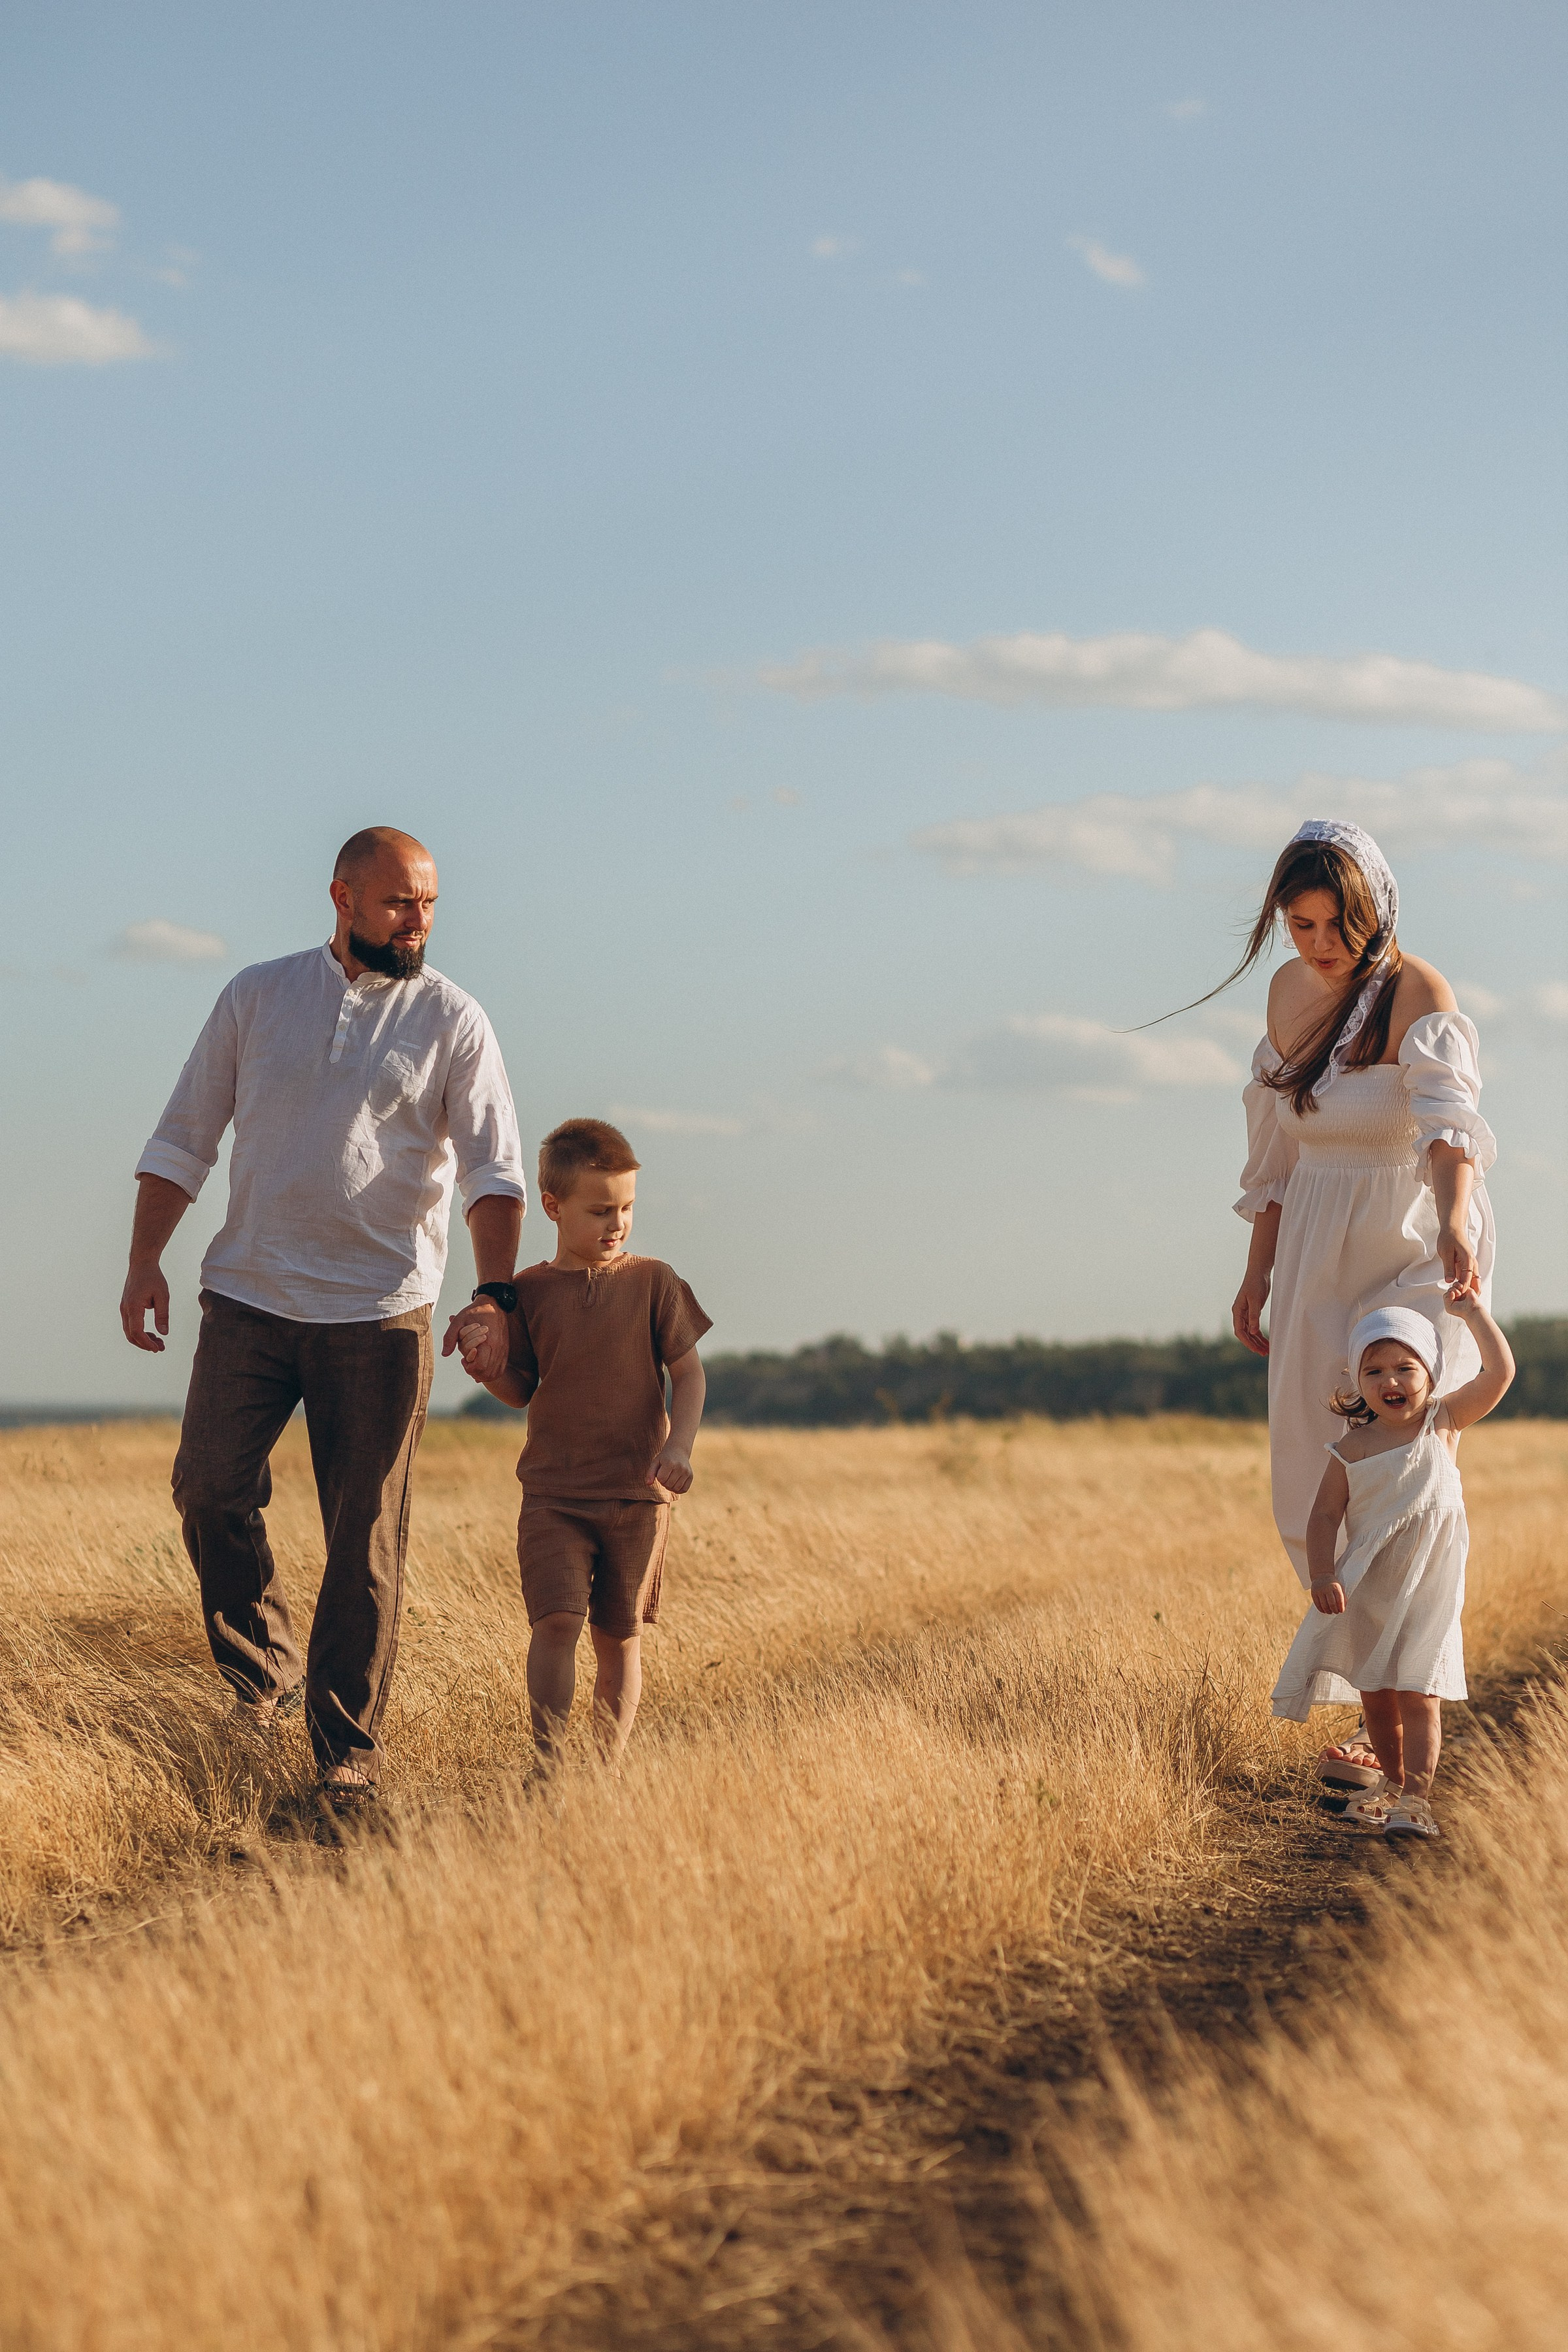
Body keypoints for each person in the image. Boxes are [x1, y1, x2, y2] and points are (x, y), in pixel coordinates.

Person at [121, 826, 528, 1812]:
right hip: (249, 1298)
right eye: (399, 904)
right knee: (209, 1491)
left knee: (366, 1539)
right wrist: (144, 1260)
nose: (418, 922)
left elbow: (493, 1172)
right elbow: (184, 1137)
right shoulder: (257, 996)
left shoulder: (453, 1019)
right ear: (342, 898)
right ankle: (264, 1674)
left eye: (428, 904)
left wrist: (496, 1295)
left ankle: (345, 1754)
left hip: (380, 1315)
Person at [1224, 819, 1496, 1788]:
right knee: (1319, 1471)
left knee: (1411, 1476)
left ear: (1373, 910)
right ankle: (1374, 1722)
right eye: (1299, 925)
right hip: (1315, 1250)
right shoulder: (1288, 993)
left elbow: (1449, 1128)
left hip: (1415, 1239)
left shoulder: (1417, 991)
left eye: (1337, 924)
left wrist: (1459, 1221)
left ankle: (1402, 1741)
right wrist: (1257, 1272)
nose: (1319, 944)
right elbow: (1278, 1157)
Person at [458, 1117, 710, 1766]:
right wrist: (487, 1368)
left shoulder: (655, 1282)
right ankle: (547, 1764)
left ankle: (603, 1773)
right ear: (553, 1206)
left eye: (626, 1208)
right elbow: (521, 1388)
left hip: (637, 1494)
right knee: (556, 1623)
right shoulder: (530, 1293)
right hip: (553, 1494)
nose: (616, 1223)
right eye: (600, 1210)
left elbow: (688, 1373)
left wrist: (678, 1449)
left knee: (618, 1636)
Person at [1270, 1293, 1514, 1838]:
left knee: (1419, 1692)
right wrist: (1322, 1574)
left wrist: (1473, 1314)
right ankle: (1393, 1785)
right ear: (1358, 1383)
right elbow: (1324, 1516)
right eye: (1373, 1370)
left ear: (1429, 1372)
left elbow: (1500, 1374)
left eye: (1405, 1367)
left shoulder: (1444, 1422)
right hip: (1371, 1589)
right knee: (1377, 1695)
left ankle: (1418, 1800)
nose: (1390, 1380)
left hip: (1428, 1587)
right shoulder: (1351, 1449)